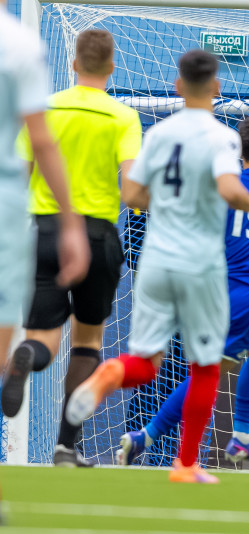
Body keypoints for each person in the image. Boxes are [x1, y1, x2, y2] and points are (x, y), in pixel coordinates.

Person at [64, 49, 249, 484]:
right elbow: (230, 189)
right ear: (216, 87)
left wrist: (172, 205)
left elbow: (132, 195)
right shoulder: (221, 136)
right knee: (206, 365)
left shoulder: (158, 134)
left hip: (155, 259)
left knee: (145, 361)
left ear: (177, 86)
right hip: (200, 263)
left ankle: (108, 372)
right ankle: (185, 464)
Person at [114, 116, 249, 466]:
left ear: (239, 151)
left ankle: (242, 437)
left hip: (212, 286)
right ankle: (145, 437)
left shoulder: (222, 187)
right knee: (207, 373)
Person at [2, 29, 139, 468]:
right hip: (97, 236)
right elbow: (132, 187)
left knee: (44, 338)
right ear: (111, 68)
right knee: (88, 340)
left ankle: (28, 355)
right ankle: (66, 446)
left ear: (74, 64)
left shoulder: (46, 110)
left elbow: (20, 170)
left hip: (42, 232)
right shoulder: (122, 116)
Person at [0, 6, 89, 371]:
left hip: (31, 220)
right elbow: (41, 143)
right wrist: (71, 225)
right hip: (24, 215)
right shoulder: (20, 44)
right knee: (87, 338)